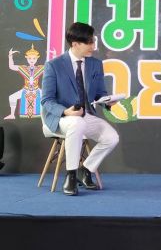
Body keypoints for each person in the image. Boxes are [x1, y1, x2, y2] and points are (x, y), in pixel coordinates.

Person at [41, 22, 119, 196]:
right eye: (89, 42)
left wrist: (107, 101)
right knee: (76, 123)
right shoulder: (54, 65)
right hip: (60, 118)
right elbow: (46, 100)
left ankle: (85, 169)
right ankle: (71, 175)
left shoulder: (95, 64)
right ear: (75, 44)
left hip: (85, 115)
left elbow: (100, 93)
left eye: (93, 41)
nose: (93, 46)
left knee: (112, 137)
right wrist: (66, 111)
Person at [5, 45, 45, 119]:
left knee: (49, 98)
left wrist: (54, 56)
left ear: (37, 59)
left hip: (36, 90)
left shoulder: (39, 68)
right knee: (12, 97)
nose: (32, 60)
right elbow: (12, 66)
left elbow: (50, 66)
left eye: (34, 58)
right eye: (29, 58)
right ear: (27, 58)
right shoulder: (24, 68)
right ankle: (12, 115)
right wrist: (10, 56)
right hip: (26, 89)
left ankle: (47, 115)